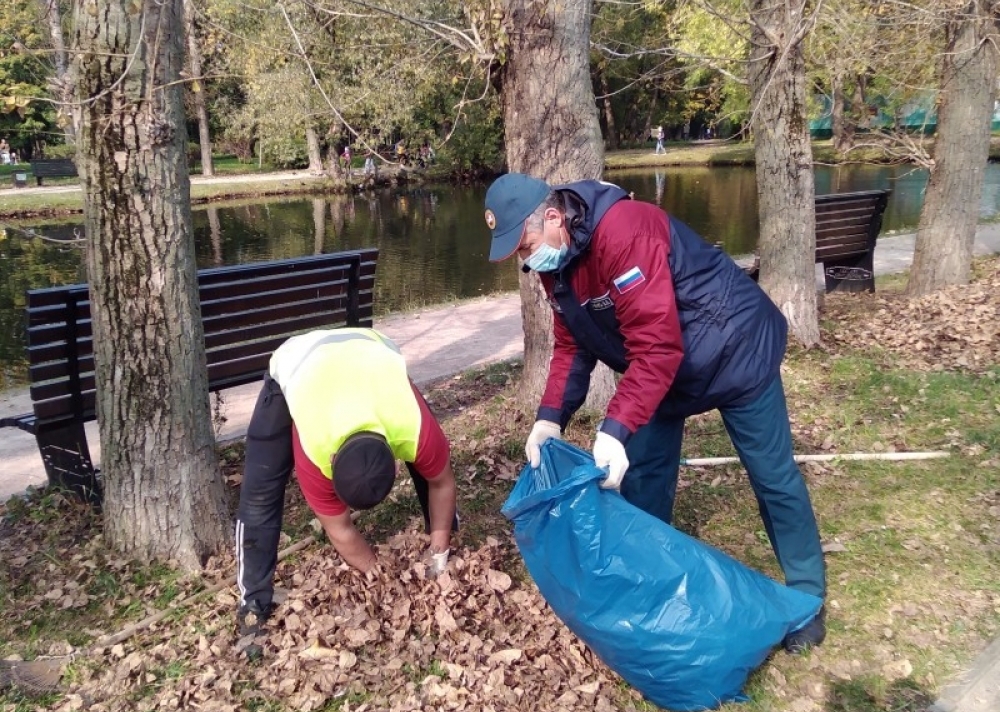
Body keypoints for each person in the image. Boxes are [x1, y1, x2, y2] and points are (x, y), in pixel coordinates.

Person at [481, 173, 827, 653]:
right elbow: (571, 345)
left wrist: (614, 428)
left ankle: (806, 598)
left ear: (555, 218)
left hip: (735, 347)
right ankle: (650, 591)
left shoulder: (625, 232)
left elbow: (657, 348)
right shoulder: (554, 262)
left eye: (525, 245)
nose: (525, 258)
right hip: (666, 370)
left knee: (772, 476)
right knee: (641, 477)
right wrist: (550, 417)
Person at [234, 327, 459, 642]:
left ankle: (445, 524)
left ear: (395, 456)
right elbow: (340, 529)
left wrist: (439, 548)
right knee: (260, 491)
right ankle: (253, 600)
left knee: (432, 468)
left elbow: (442, 482)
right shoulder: (314, 451)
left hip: (373, 353)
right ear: (332, 464)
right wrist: (375, 570)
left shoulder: (413, 427)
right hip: (300, 361)